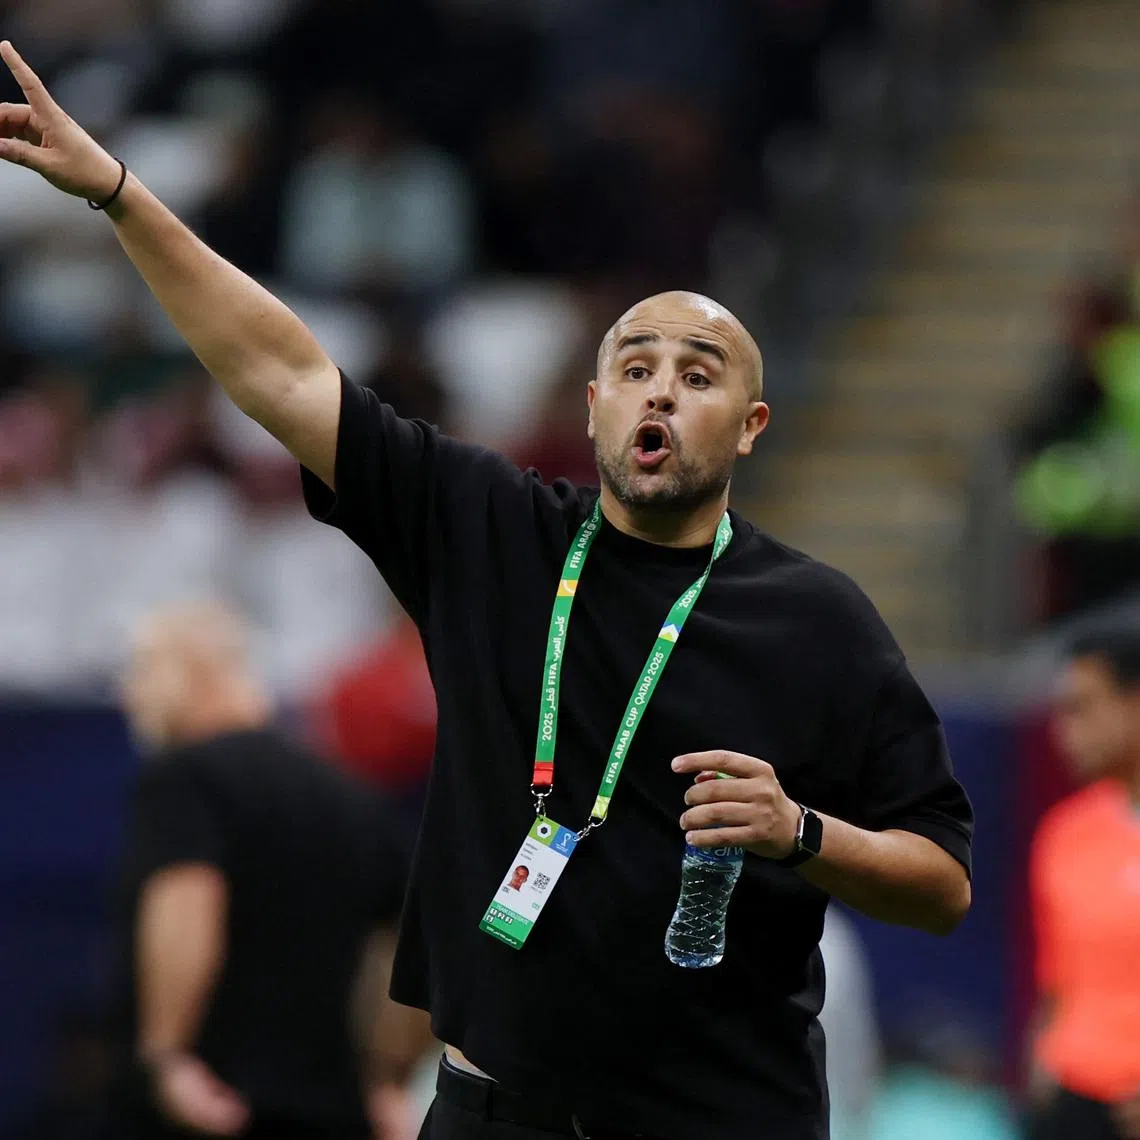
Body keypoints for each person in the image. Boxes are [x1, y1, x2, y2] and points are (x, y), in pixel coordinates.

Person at [0, 45, 973, 1140]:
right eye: (640, 367)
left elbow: (940, 880)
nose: (664, 389)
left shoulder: (819, 617)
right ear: (598, 405)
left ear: (749, 426)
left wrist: (800, 831)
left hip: (716, 1117)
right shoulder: (493, 529)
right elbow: (282, 373)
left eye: (699, 376)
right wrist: (123, 199)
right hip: (489, 1111)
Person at [108, 601, 426, 1140]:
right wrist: (385, 1078)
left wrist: (169, 1056)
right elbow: (409, 939)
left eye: (140, 670)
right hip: (335, 1111)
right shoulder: (349, 797)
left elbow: (188, 900)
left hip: (214, 1101)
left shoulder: (188, 777)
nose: (128, 693)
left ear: (183, 675)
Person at [1027, 626, 1140, 1140]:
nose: (1062, 730)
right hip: (1071, 1105)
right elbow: (1060, 980)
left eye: (1082, 708)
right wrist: (1043, 1058)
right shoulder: (1065, 833)